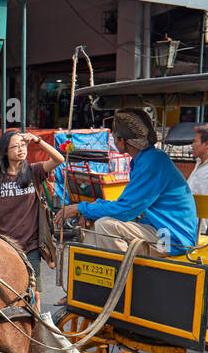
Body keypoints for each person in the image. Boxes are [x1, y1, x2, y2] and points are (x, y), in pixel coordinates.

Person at [54, 109, 198, 257]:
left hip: (173, 239)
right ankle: (96, 278)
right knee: (94, 225)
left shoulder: (153, 162)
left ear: (122, 140)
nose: (113, 141)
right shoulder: (144, 160)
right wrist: (89, 212)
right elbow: (125, 204)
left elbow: (125, 209)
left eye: (114, 137)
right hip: (156, 229)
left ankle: (121, 278)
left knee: (106, 226)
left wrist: (81, 208)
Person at [0, 130, 65, 279]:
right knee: (8, 286)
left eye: (23, 145)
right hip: (5, 243)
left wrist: (38, 141)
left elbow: (59, 159)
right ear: (5, 152)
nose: (21, 149)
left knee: (33, 289)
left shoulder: (34, 171)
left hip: (31, 244)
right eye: (15, 147)